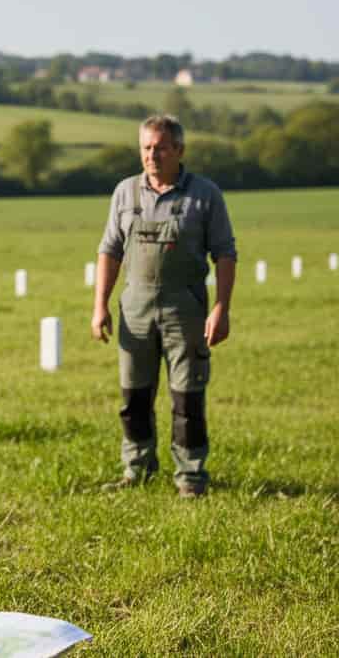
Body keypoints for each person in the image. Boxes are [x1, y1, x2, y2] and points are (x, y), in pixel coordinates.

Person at [90, 114, 237, 498]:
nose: (152, 155)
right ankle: (137, 467)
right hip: (134, 307)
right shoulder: (125, 192)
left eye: (160, 148)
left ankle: (191, 475)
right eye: (146, 148)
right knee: (133, 395)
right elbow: (109, 250)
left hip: (184, 308)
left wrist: (221, 307)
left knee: (187, 396)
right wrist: (99, 305)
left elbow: (224, 253)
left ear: (179, 151)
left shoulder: (205, 195)